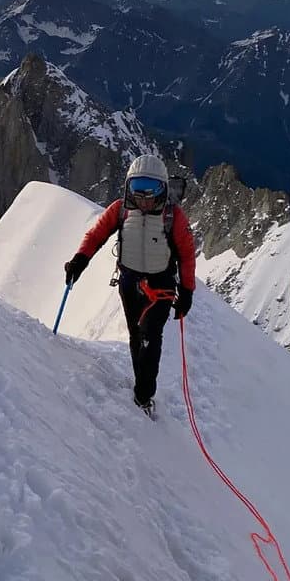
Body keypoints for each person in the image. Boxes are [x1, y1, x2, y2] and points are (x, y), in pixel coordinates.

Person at [64, 155, 196, 412]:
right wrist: (80, 260)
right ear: (128, 187)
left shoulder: (174, 217)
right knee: (136, 336)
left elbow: (187, 254)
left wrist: (187, 292)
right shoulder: (120, 210)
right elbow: (96, 234)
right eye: (138, 188)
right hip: (129, 283)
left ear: (164, 188)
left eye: (152, 188)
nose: (145, 196)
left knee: (150, 336)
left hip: (161, 287)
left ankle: (144, 396)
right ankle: (141, 385)